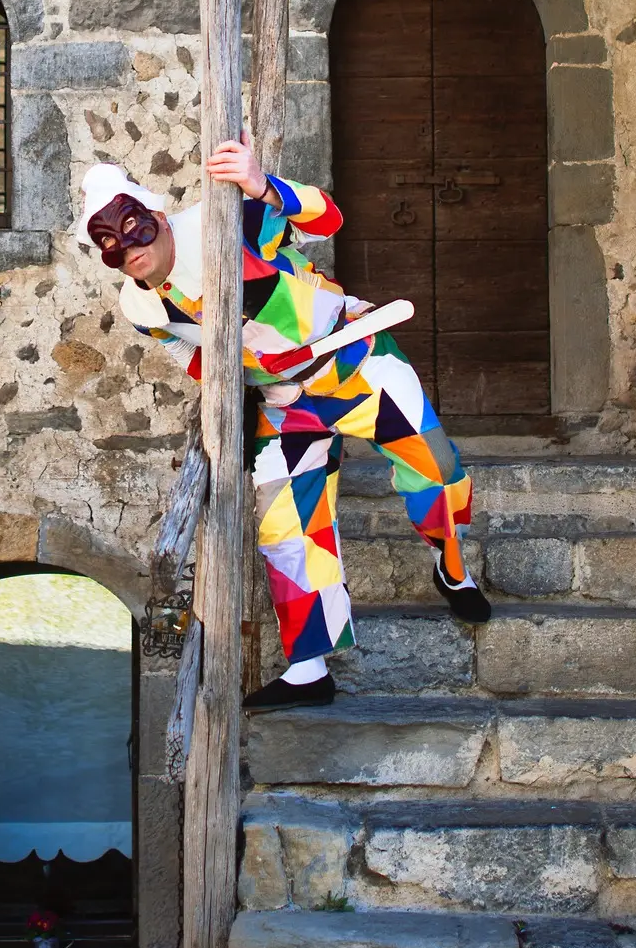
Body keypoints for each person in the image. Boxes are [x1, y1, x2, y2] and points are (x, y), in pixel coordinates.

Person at [77, 140, 489, 711]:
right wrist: (234, 376)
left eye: (131, 227)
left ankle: (451, 565)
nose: (126, 248)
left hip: (352, 359)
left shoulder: (223, 219)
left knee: (437, 467)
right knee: (286, 529)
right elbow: (184, 354)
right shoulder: (139, 306)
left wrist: (263, 184)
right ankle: (309, 667)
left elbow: (328, 217)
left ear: (158, 216)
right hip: (283, 402)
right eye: (108, 243)